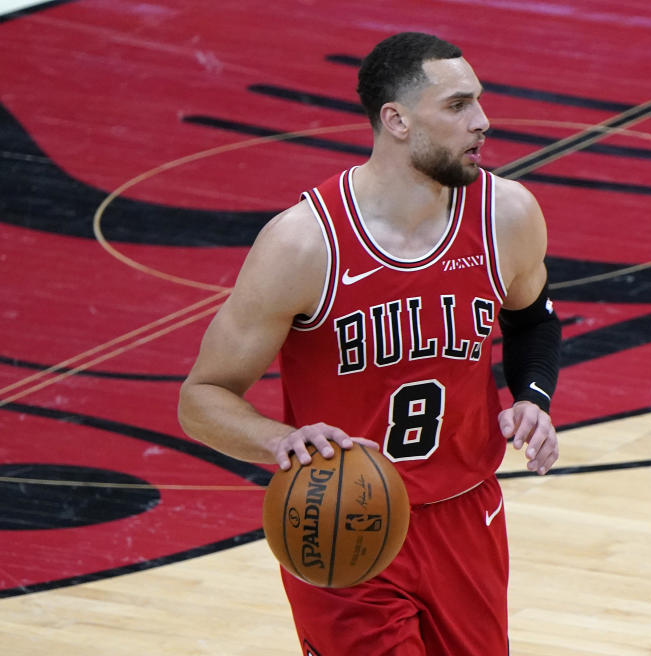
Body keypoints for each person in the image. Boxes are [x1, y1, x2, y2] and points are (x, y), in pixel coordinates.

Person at [178, 31, 561, 655]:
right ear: (397, 120)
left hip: (467, 513)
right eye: (458, 106)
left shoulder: (506, 215)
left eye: (479, 102)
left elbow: (534, 320)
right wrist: (279, 440)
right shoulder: (304, 244)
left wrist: (533, 397)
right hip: (339, 522)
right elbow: (202, 398)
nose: (483, 122)